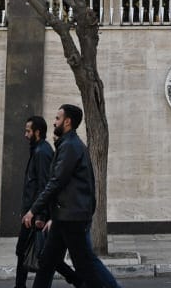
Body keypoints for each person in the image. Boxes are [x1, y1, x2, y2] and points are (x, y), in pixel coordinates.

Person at [23, 104, 122, 288]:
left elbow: (56, 182)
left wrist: (33, 211)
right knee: (47, 261)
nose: (54, 122)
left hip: (71, 217)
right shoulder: (68, 144)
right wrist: (52, 216)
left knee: (85, 264)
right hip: (64, 216)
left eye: (57, 118)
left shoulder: (70, 146)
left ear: (67, 122)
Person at [16, 115, 79, 288]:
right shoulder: (38, 150)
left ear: (37, 132)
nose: (25, 135)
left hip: (35, 214)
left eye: (28, 131)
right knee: (33, 252)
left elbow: (45, 185)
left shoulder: (42, 152)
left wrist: (40, 216)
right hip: (32, 212)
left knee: (40, 254)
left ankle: (77, 279)